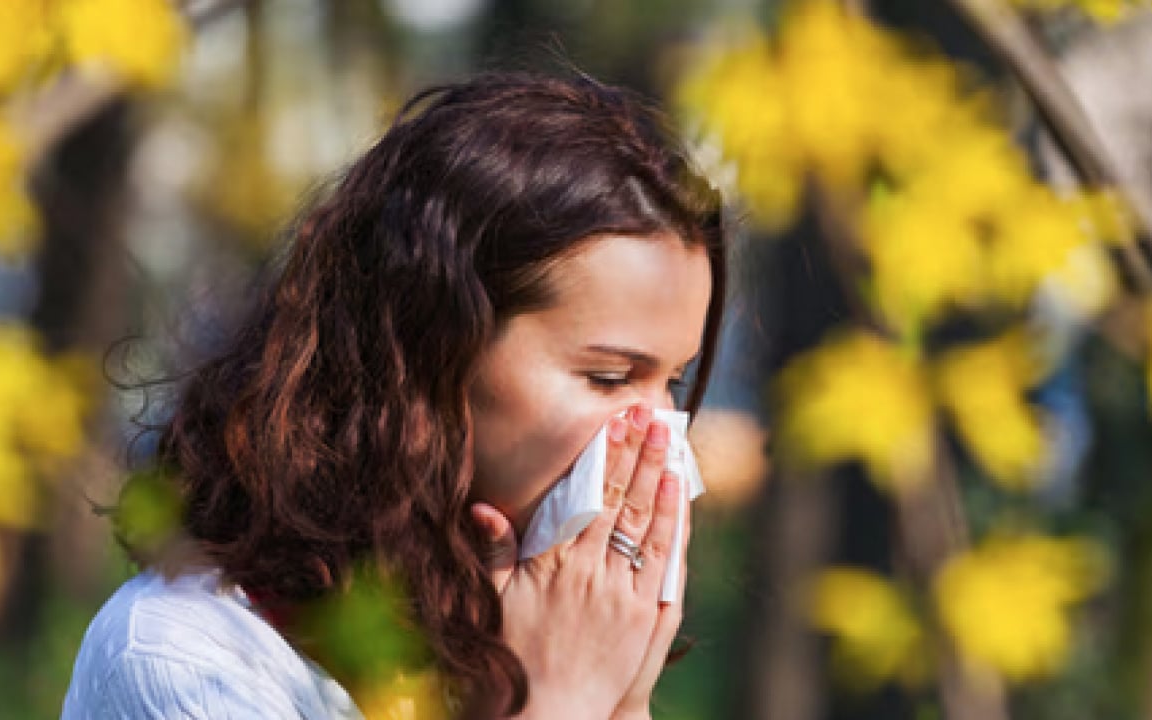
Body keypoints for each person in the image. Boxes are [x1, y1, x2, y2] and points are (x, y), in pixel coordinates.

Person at [62, 70, 727, 719]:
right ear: (431, 350)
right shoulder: (184, 656)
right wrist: (558, 702)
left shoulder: (489, 635)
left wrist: (623, 696)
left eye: (671, 381)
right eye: (609, 378)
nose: (661, 435)